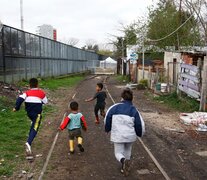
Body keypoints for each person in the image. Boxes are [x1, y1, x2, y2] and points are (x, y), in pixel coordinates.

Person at [104, 88, 145, 176]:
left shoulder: (114, 108)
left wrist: (107, 129)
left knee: (118, 153)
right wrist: (139, 134)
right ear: (132, 98)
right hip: (130, 136)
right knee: (127, 151)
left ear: (122, 97)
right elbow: (139, 124)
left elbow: (107, 118)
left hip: (118, 135)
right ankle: (124, 167)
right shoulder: (134, 110)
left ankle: (123, 161)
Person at [13, 78, 48, 155]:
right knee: (35, 128)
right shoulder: (41, 93)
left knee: (33, 124)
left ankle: (29, 137)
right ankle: (28, 143)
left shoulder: (27, 93)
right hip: (37, 114)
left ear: (29, 85)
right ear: (37, 84)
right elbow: (45, 102)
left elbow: (20, 99)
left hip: (29, 114)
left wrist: (16, 108)